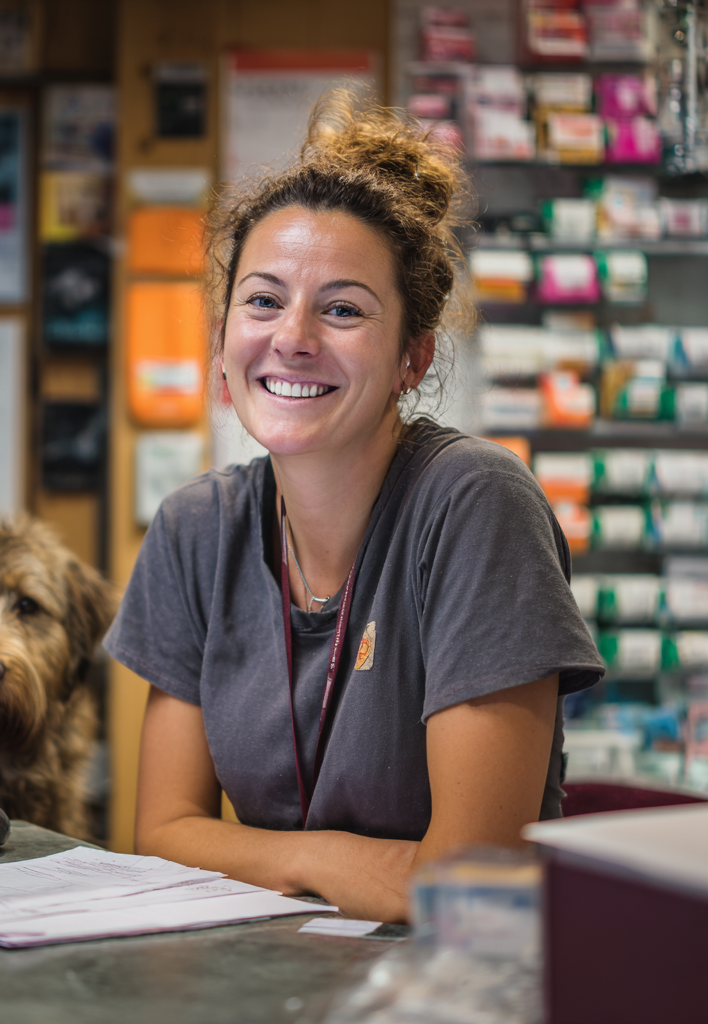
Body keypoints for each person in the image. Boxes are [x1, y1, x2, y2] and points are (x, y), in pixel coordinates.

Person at [103, 94, 604, 923]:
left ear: (413, 357)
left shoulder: (474, 506)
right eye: (263, 300)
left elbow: (471, 881)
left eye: (342, 309)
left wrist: (252, 858)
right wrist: (329, 859)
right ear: (225, 339)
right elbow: (161, 833)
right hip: (263, 978)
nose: (293, 336)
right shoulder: (197, 530)